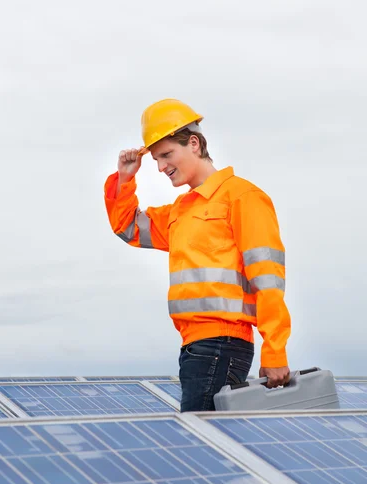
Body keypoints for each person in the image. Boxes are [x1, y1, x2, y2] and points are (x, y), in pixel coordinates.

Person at [104, 98, 291, 411]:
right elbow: (128, 228)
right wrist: (125, 179)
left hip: (222, 344)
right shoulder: (181, 211)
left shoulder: (243, 197)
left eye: (167, 155)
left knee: (203, 443)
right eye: (156, 159)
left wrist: (274, 352)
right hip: (195, 346)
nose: (161, 167)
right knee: (206, 444)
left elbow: (268, 279)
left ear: (193, 143)